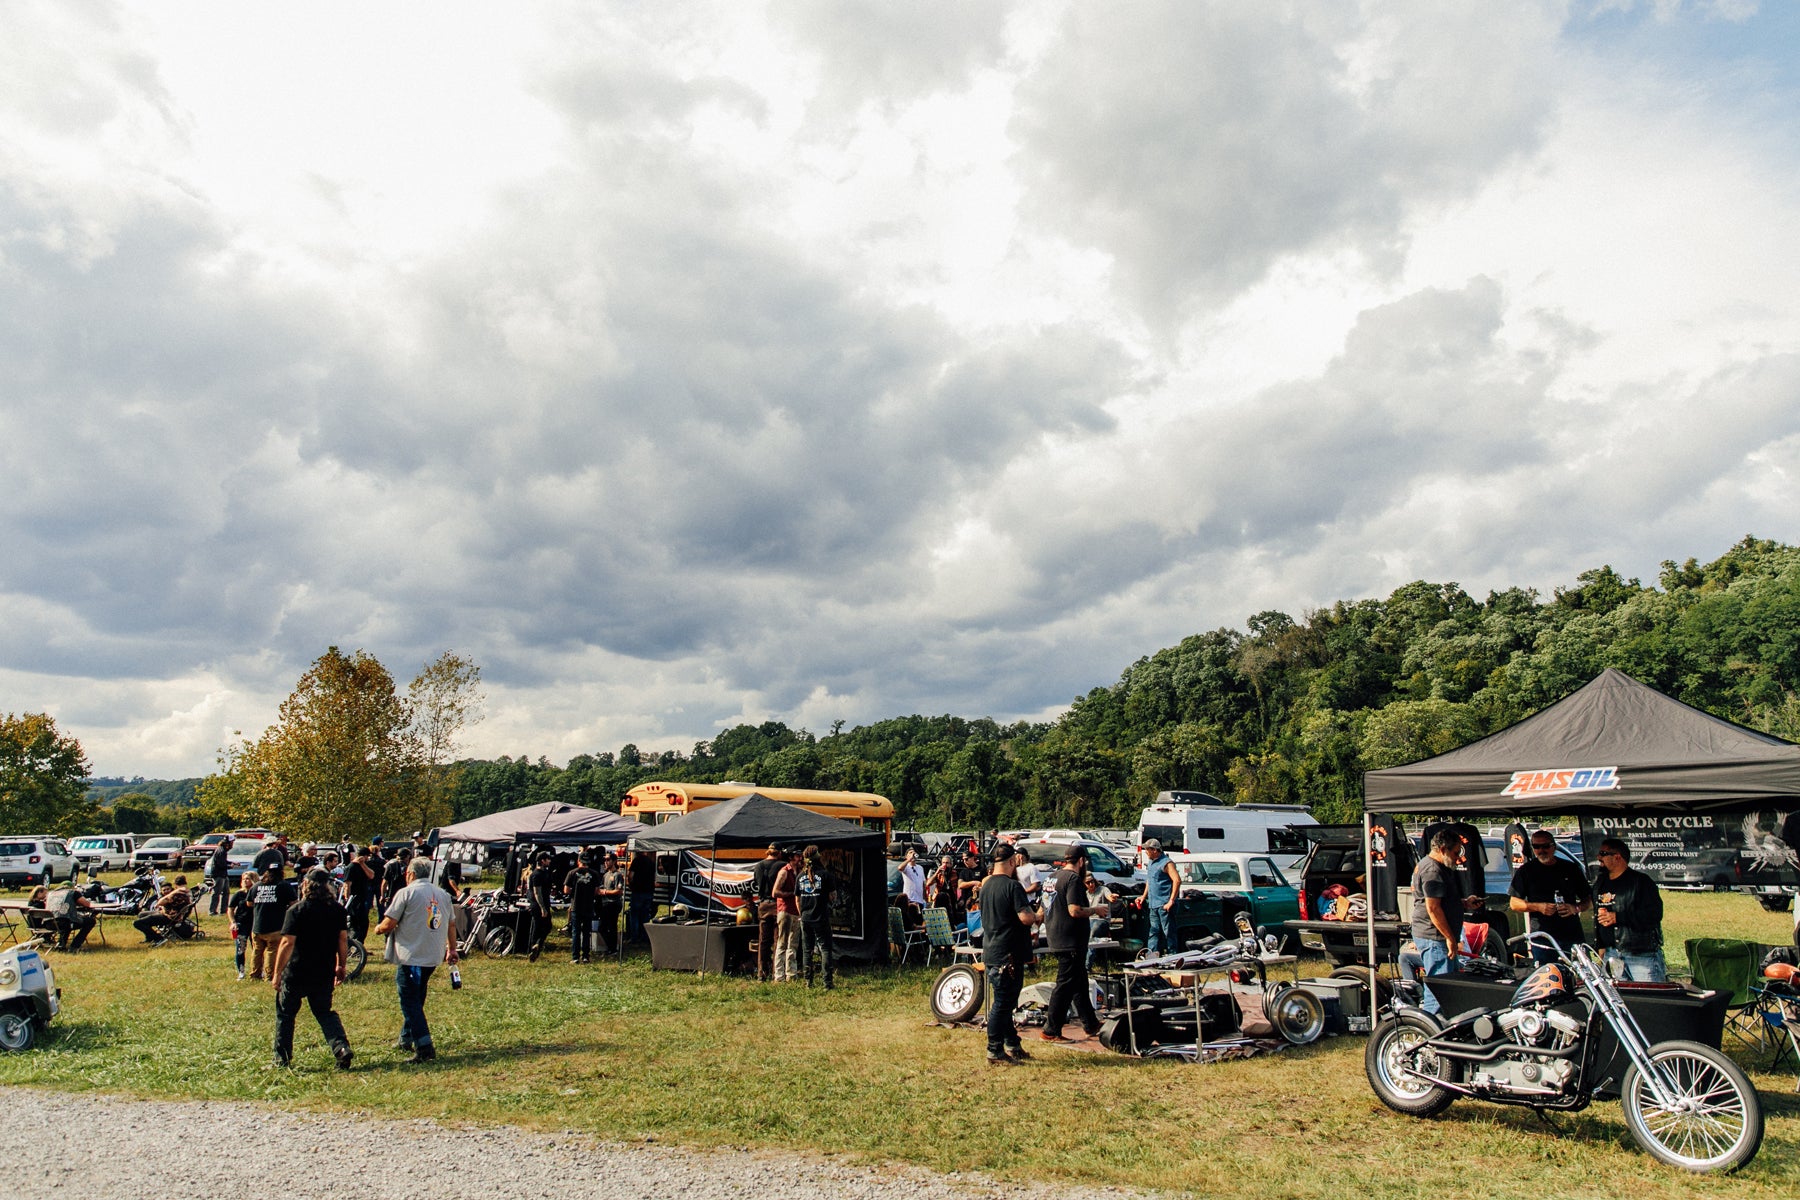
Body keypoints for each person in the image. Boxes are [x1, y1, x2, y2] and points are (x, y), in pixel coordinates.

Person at [373, 857, 459, 1063]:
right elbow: (451, 924)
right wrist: (452, 949)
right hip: (432, 955)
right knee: (417, 997)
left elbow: (389, 923)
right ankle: (406, 1037)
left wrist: (378, 928)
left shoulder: (406, 893)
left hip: (412, 956)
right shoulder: (443, 895)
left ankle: (424, 1046)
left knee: (409, 1000)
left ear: (410, 873)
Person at [269, 867, 353, 1070]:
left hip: (296, 971)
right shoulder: (337, 909)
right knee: (324, 1012)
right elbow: (342, 939)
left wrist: (277, 972)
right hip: (323, 970)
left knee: (286, 1015)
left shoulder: (296, 910)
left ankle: (282, 1060)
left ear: (305, 885)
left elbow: (287, 943)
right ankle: (341, 1048)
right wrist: (341, 965)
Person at [979, 843, 1040, 1064]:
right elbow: (1025, 918)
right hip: (1009, 955)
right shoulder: (1013, 887)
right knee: (1003, 1003)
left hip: (992, 951)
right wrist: (1037, 915)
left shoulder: (985, 886)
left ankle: (1012, 1044)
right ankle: (994, 1049)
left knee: (1003, 1001)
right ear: (1013, 861)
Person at [1041, 848, 1108, 1043]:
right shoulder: (1073, 880)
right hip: (1070, 940)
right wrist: (1096, 910)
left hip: (1056, 935)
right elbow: (1074, 911)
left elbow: (1042, 907)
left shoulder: (1051, 878)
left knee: (1079, 981)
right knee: (1064, 985)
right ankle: (1050, 1030)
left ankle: (1090, 1023)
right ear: (1081, 861)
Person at [1410, 829, 1481, 1014]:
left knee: (1449, 984)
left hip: (1437, 937)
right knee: (1439, 989)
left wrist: (1464, 903)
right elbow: (1433, 908)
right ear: (1443, 849)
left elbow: (1442, 900)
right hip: (1435, 938)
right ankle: (1433, 1034)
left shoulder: (1437, 866)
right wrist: (1450, 938)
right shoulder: (1432, 870)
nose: (1458, 858)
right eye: (1456, 853)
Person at [1507, 830, 1592, 962]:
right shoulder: (1526, 871)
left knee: (1579, 977)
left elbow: (1588, 899)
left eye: (1545, 846)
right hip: (1543, 937)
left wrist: (1574, 908)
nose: (1542, 850)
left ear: (1554, 846)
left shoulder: (1570, 868)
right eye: (1537, 847)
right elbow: (1514, 903)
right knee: (1547, 977)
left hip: (1571, 935)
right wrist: (1538, 907)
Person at [1592, 838, 1666, 981]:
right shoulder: (1600, 882)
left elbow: (1654, 914)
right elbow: (1597, 916)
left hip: (1640, 954)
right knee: (1618, 999)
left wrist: (1618, 917)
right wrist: (1600, 947)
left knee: (1649, 998)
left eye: (1603, 853)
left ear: (1617, 857)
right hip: (1611, 954)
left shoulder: (1641, 882)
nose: (1598, 857)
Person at [796, 845, 837, 989]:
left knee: (807, 950)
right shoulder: (826, 875)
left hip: (806, 918)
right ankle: (827, 983)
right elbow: (832, 896)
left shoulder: (800, 876)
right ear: (818, 857)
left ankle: (808, 982)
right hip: (821, 916)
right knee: (825, 948)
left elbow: (797, 899)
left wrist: (801, 913)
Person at [250, 864, 298, 980]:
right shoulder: (284, 886)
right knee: (272, 951)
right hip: (275, 926)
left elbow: (249, 903)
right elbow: (294, 903)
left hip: (257, 926)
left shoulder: (257, 886)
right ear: (281, 873)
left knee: (257, 951)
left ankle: (254, 975)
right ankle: (270, 976)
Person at [750, 842, 786, 982]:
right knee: (778, 940)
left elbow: (756, 882)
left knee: (763, 941)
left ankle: (761, 973)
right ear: (779, 853)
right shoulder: (782, 865)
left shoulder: (758, 866)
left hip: (763, 904)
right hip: (777, 904)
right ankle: (776, 973)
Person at [1142, 839, 1180, 957]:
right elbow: (1150, 880)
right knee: (1153, 932)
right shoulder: (1151, 863)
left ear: (1154, 850)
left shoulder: (1167, 863)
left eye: (1147, 850)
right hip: (1153, 905)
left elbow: (1177, 880)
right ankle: (1151, 956)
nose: (1145, 852)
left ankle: (1172, 956)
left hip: (1164, 905)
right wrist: (1143, 896)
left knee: (1168, 932)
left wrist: (1171, 901)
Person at [134, 874, 194, 943]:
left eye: (168, 889)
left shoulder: (178, 893)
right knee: (141, 914)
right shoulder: (188, 892)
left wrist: (169, 895)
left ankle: (158, 938)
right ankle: (149, 937)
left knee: (137, 923)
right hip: (173, 915)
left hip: (169, 917)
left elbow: (160, 902)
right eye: (164, 890)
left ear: (175, 885)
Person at [563, 850, 599, 964]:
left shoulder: (572, 873)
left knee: (576, 932)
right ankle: (586, 956)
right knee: (587, 932)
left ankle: (575, 957)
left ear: (579, 861)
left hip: (576, 906)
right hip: (588, 905)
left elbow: (566, 890)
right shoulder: (594, 874)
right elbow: (597, 891)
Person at [773, 846, 802, 983]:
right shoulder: (784, 872)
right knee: (782, 943)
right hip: (784, 910)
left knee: (793, 944)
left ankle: (791, 974)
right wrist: (791, 894)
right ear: (791, 857)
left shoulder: (800, 871)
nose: (799, 857)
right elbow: (775, 892)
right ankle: (779, 975)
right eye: (797, 855)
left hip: (796, 911)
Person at [523, 850, 557, 963]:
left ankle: (537, 944)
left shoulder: (545, 873)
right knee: (538, 926)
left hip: (545, 902)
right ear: (542, 861)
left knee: (546, 926)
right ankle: (534, 945)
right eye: (548, 859)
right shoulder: (535, 875)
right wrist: (542, 907)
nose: (550, 861)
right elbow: (537, 892)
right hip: (538, 904)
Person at [44, 879, 97, 952]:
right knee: (90, 921)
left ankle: (61, 944)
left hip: (48, 923)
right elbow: (86, 904)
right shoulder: (72, 892)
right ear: (71, 887)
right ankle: (75, 946)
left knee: (66, 920)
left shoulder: (50, 893)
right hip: (64, 922)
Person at [341, 845, 377, 945]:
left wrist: (362, 864)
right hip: (354, 899)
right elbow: (347, 885)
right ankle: (354, 945)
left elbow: (371, 875)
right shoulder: (350, 867)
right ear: (364, 856)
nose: (368, 859)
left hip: (363, 898)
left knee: (364, 923)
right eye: (367, 856)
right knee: (355, 924)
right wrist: (347, 899)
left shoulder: (363, 866)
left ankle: (360, 944)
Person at [229, 870, 259, 980]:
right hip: (241, 924)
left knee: (257, 949)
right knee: (240, 949)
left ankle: (257, 971)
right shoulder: (239, 894)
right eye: (244, 879)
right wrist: (233, 922)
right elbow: (231, 909)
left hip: (255, 923)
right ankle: (241, 972)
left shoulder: (258, 892)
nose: (245, 881)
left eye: (248, 878)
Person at [626, 846, 657, 945]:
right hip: (648, 892)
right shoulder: (651, 862)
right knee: (645, 915)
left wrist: (631, 886)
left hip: (638, 891)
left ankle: (634, 937)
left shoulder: (636, 861)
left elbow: (630, 876)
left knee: (634, 915)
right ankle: (645, 936)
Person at [596, 852, 624, 958]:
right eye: (605, 860)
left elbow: (618, 891)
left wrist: (605, 892)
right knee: (602, 927)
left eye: (608, 860)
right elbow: (600, 888)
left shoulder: (617, 875)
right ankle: (610, 947)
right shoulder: (605, 875)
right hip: (605, 903)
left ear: (614, 861)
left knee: (612, 926)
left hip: (613, 903)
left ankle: (613, 949)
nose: (606, 862)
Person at [897, 847, 928, 929]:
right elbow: (900, 868)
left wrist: (926, 899)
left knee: (919, 920)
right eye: (910, 853)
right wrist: (908, 860)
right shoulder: (906, 867)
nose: (913, 854)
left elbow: (923, 885)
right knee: (911, 922)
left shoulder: (920, 868)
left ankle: (919, 938)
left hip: (919, 901)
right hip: (910, 900)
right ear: (906, 856)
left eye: (914, 853)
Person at [207, 836, 234, 915]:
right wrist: (230, 866)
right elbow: (221, 864)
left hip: (223, 874)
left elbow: (224, 861)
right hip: (219, 875)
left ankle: (224, 910)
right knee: (217, 893)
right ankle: (212, 911)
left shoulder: (223, 851)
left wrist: (231, 863)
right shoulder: (221, 851)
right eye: (232, 842)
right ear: (227, 843)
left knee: (226, 892)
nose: (233, 844)